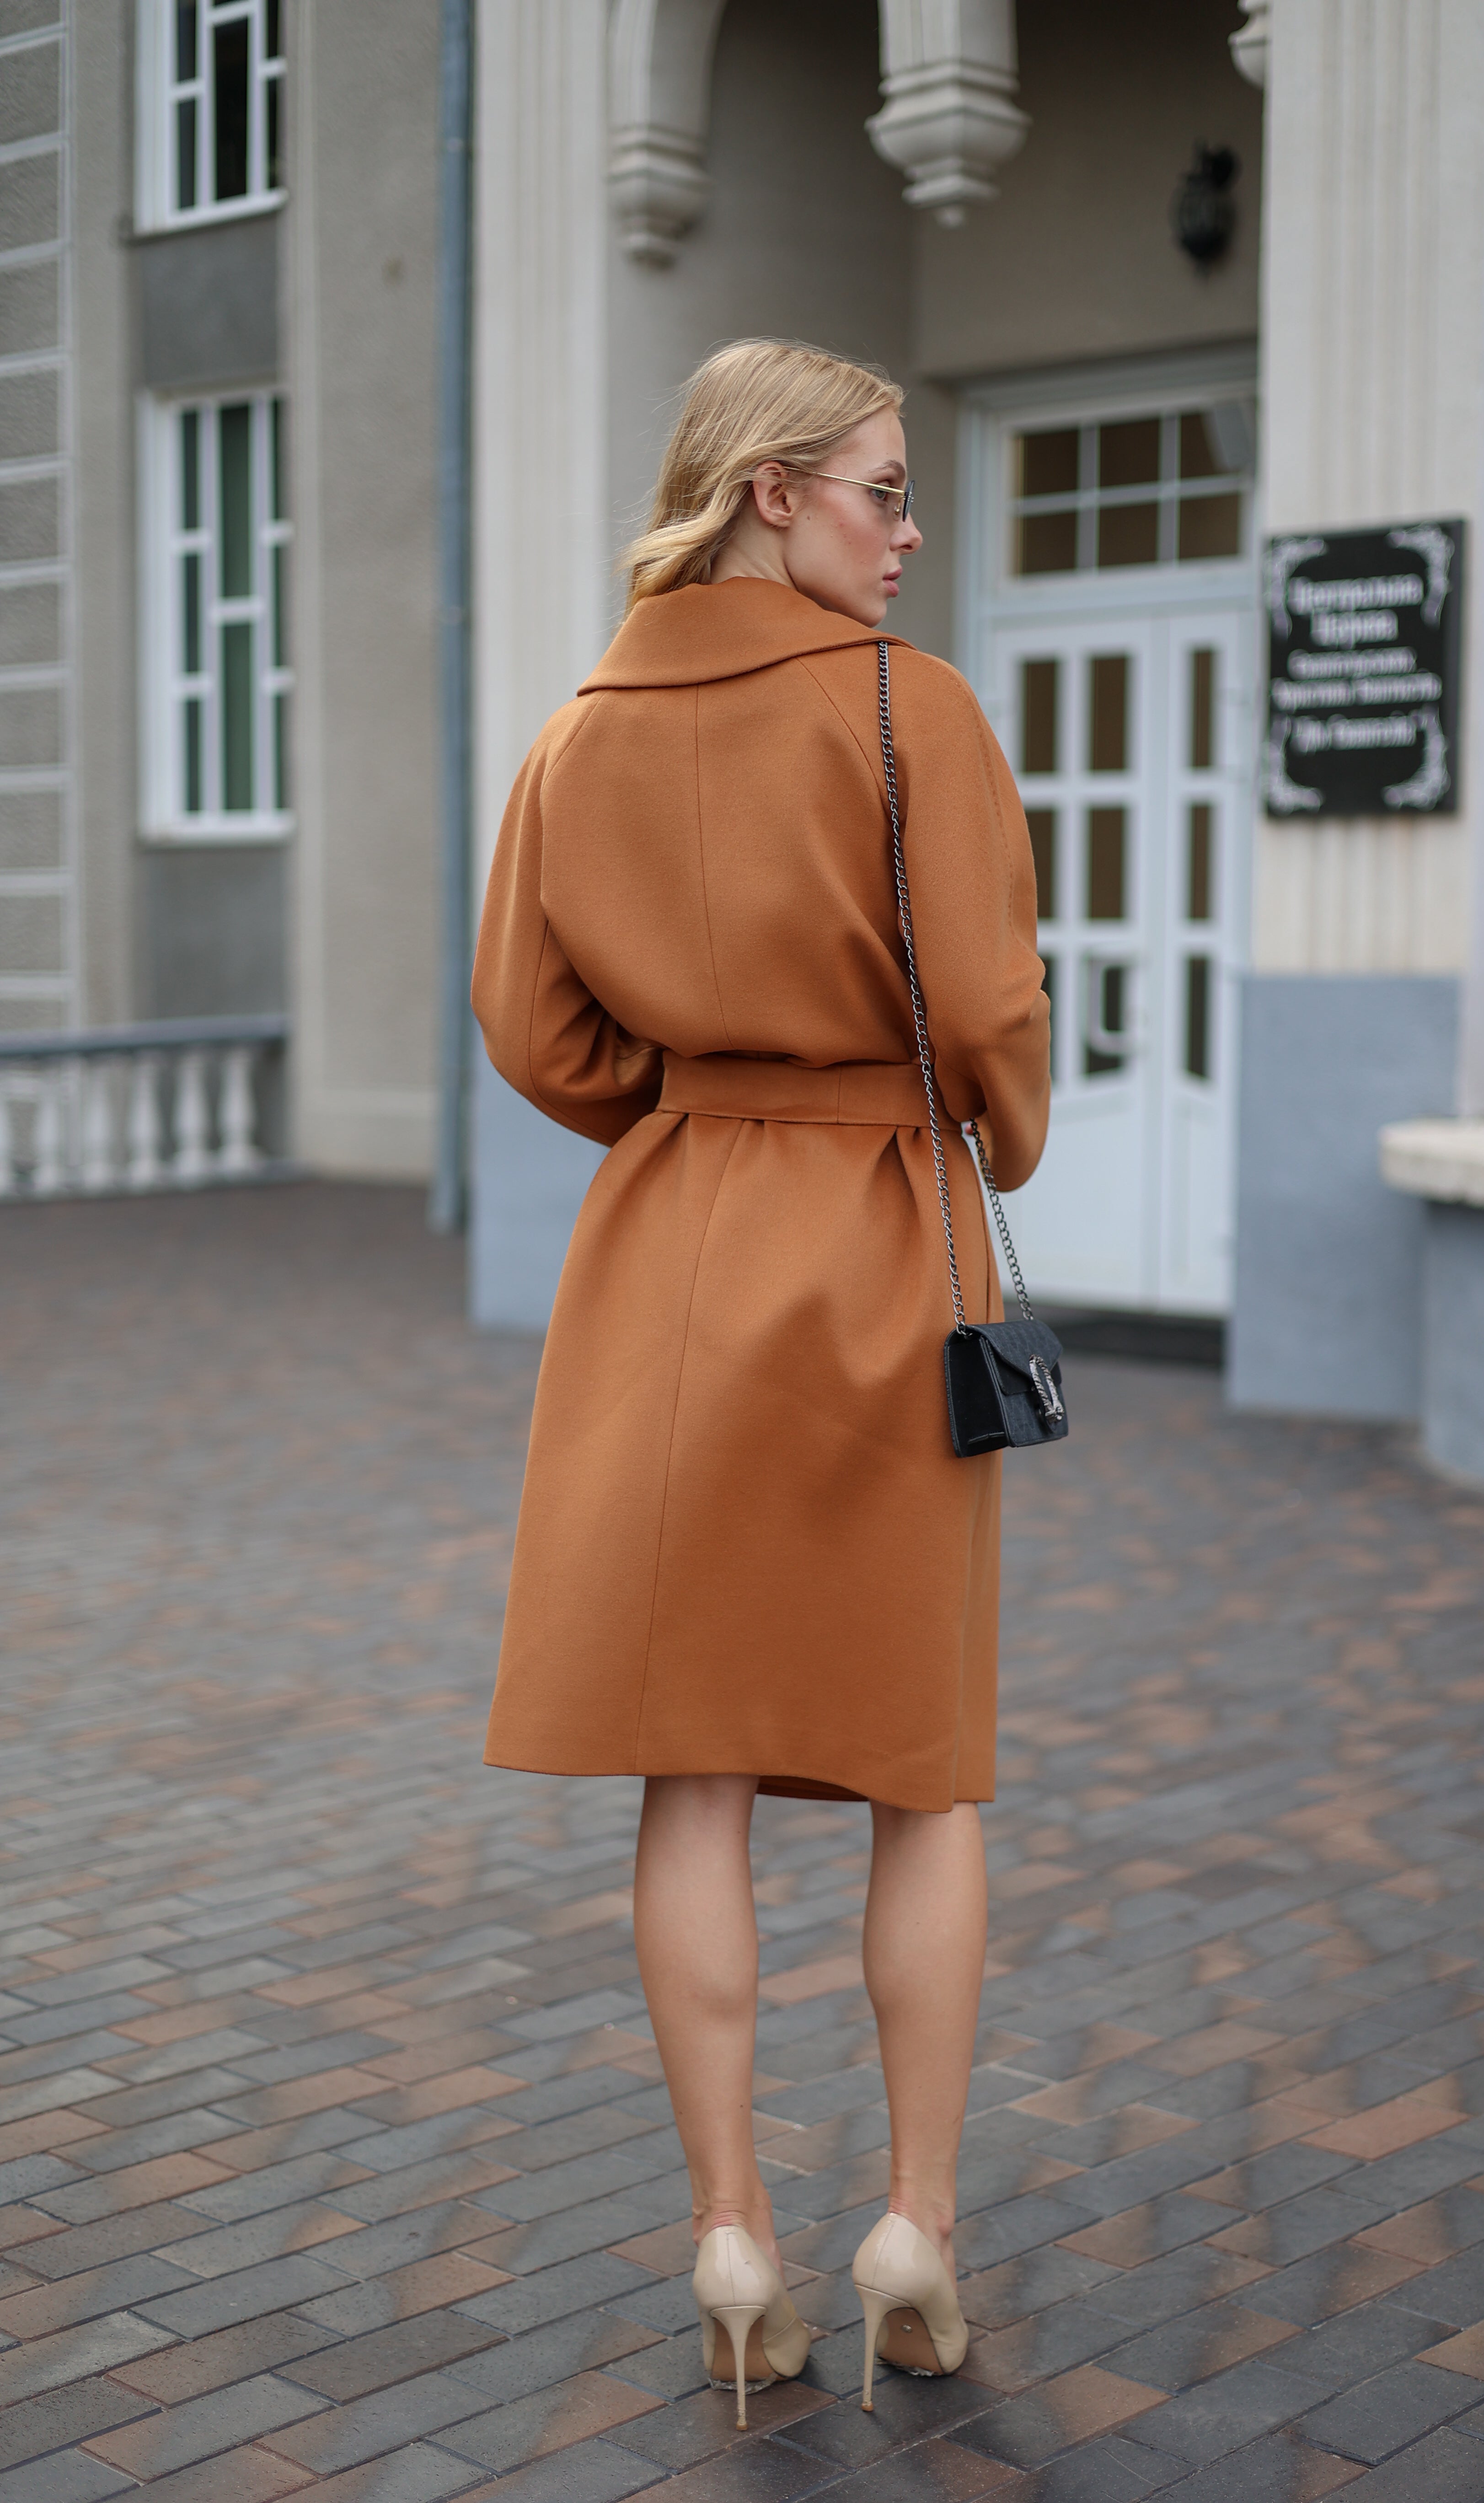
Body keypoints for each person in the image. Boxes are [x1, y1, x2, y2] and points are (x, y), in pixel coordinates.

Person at [472, 338, 1050, 2421]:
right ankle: (916, 2221)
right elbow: (989, 1015)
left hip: (669, 1259)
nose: (913, 532)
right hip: (886, 1243)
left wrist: (693, 1094)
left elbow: (535, 1035)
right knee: (920, 1765)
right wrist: (995, 1135)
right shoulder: (920, 713)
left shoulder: (577, 731)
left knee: (690, 1765)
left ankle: (730, 2235)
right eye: (884, 491)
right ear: (769, 492)